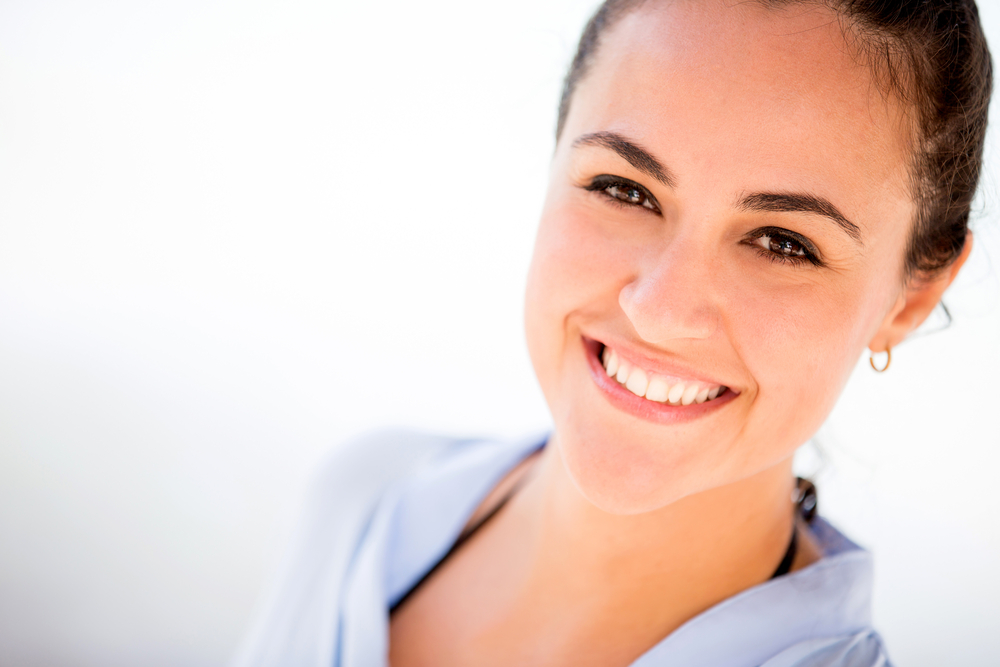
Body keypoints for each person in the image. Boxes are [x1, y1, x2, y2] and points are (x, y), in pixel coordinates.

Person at [233, 1, 993, 665]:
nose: (661, 309)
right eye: (624, 188)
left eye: (782, 242)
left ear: (913, 294)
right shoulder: (365, 496)